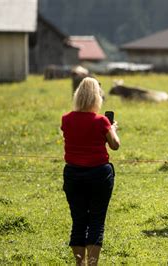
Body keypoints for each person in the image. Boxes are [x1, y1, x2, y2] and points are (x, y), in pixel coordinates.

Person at [61, 77, 120, 265]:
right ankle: (93, 264)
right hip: (99, 174)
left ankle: (80, 263)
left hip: (73, 174)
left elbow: (72, 136)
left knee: (78, 220)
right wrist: (112, 129)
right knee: (96, 220)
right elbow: (115, 145)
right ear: (97, 98)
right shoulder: (102, 121)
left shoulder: (66, 119)